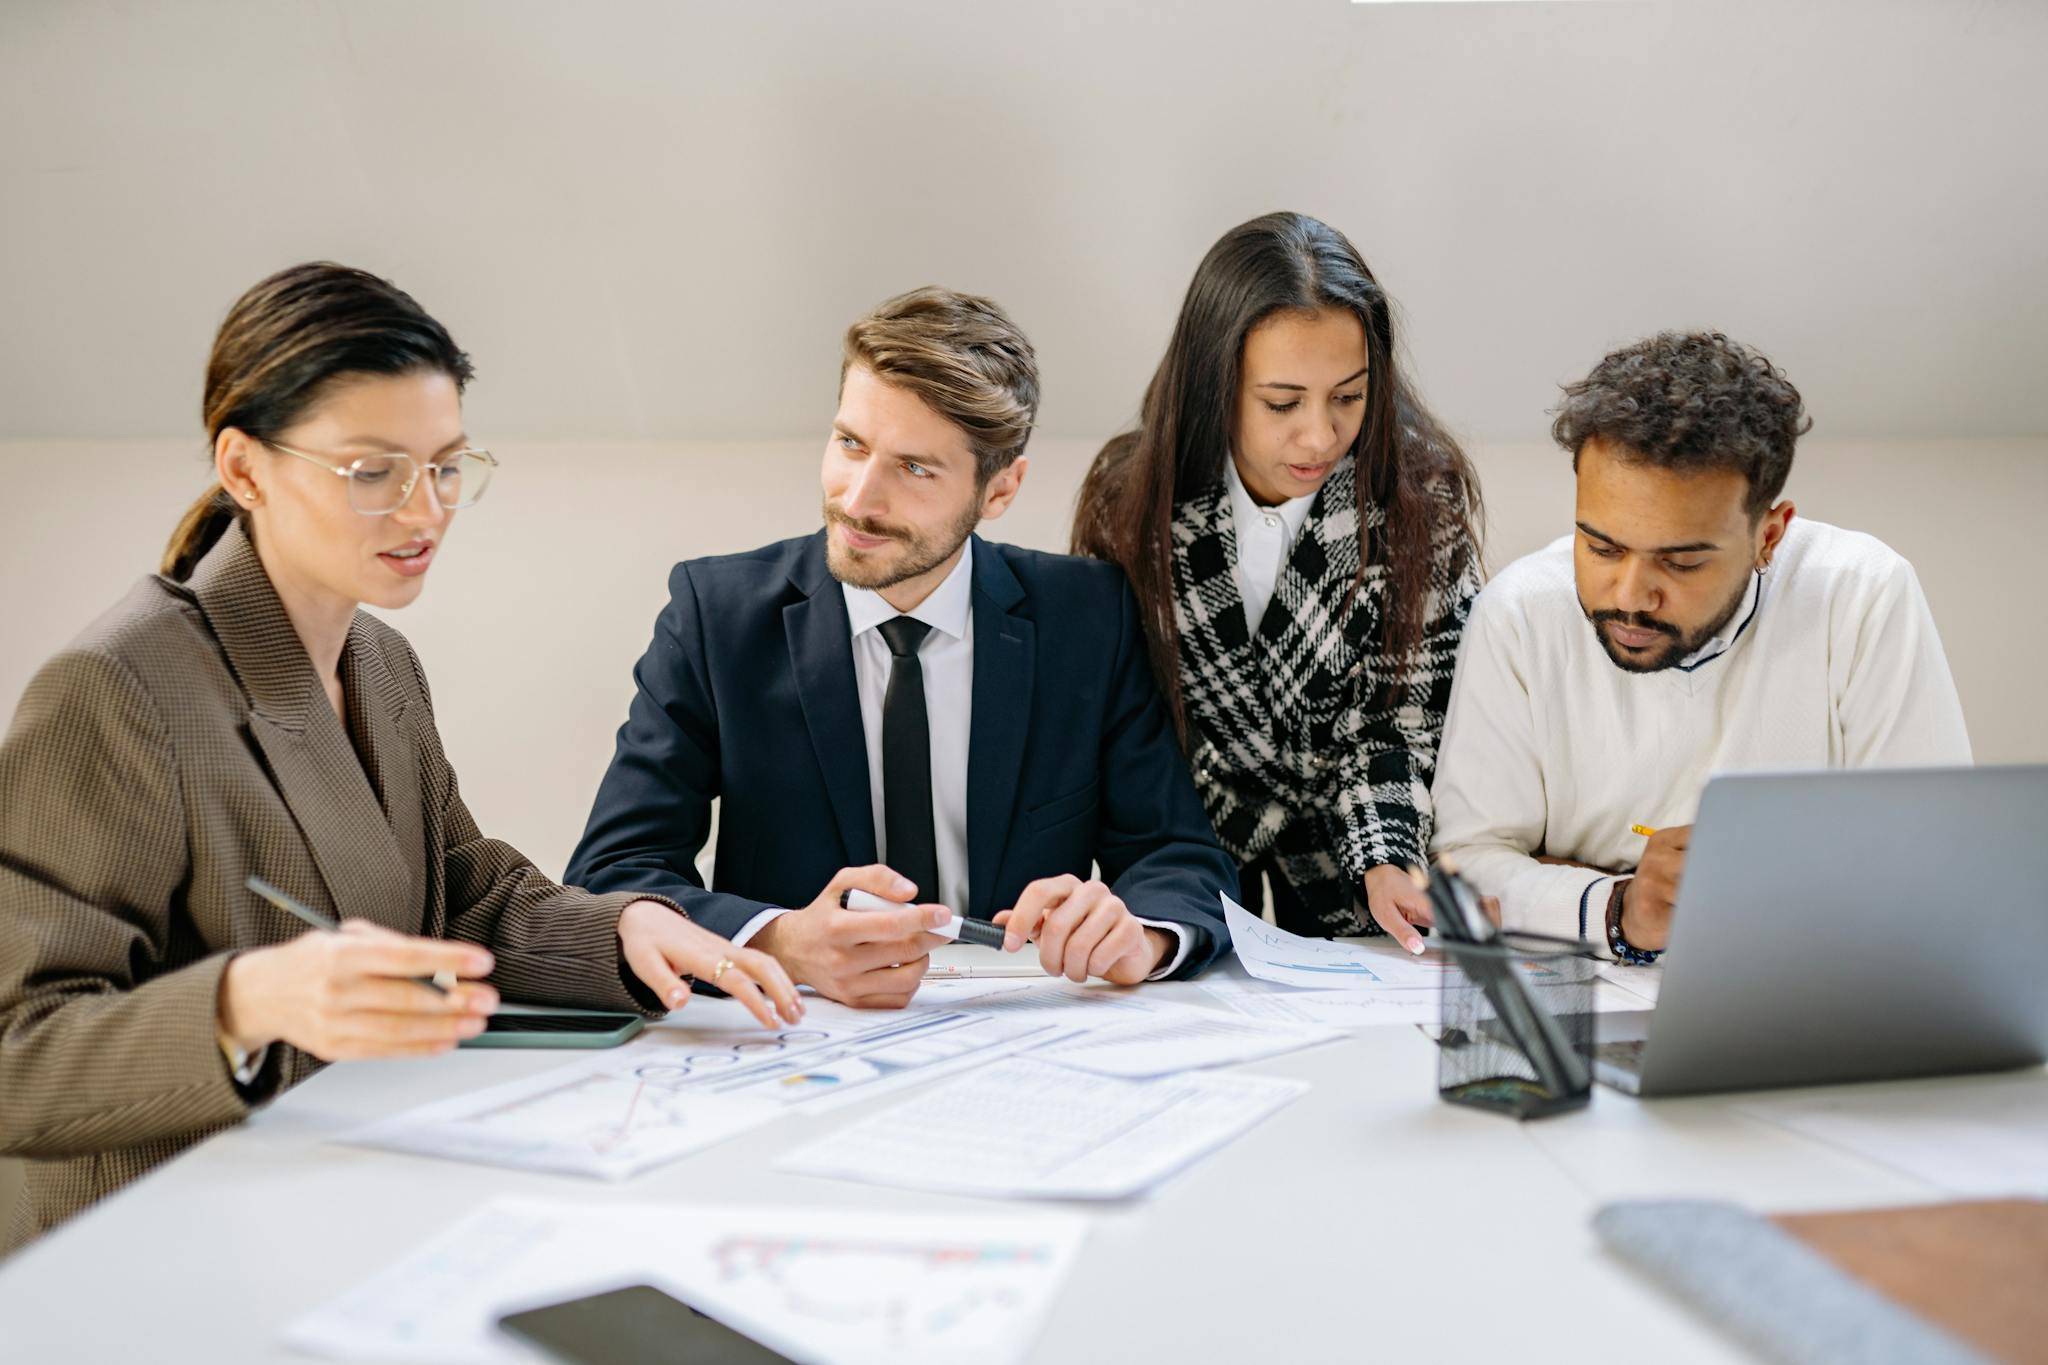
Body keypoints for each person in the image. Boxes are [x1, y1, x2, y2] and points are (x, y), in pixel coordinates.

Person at [0, 263, 796, 1252]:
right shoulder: (117, 691)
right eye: (372, 472)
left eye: (446, 466)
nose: (426, 513)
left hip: (340, 1198)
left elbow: (456, 897)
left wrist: (626, 926)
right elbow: (16, 1055)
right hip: (157, 1246)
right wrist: (246, 1002)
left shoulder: (378, 661)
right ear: (244, 469)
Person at [567, 287, 1236, 1006]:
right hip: (789, 1045)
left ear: (1000, 489)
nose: (857, 499)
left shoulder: (1088, 618)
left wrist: (1142, 933)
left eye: (914, 468)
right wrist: (780, 940)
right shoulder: (716, 616)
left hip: (1018, 1035)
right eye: (850, 444)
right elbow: (612, 872)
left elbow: (1179, 857)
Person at [1430, 331, 1971, 962]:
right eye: (1601, 548)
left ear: (1770, 534)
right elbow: (1464, 866)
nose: (1629, 596)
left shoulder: (1862, 596)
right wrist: (1620, 905)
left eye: (1681, 563)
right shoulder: (1521, 614)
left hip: (1809, 999)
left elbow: (1932, 862)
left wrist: (1560, 875)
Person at [1072, 212, 1483, 951]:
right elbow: (1128, 718)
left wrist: (1388, 854)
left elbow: (1406, 716)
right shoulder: (1131, 498)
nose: (1321, 435)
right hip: (1184, 867)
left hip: (1360, 873)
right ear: (1213, 384)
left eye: (1349, 396)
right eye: (1282, 403)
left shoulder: (1422, 497)